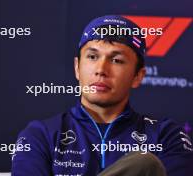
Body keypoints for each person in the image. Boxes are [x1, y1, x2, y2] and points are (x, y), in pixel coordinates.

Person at [11, 15, 193, 176]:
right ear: (77, 67)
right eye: (92, 57)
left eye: (116, 60)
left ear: (138, 76)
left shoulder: (167, 137)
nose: (101, 70)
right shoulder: (40, 135)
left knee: (145, 163)